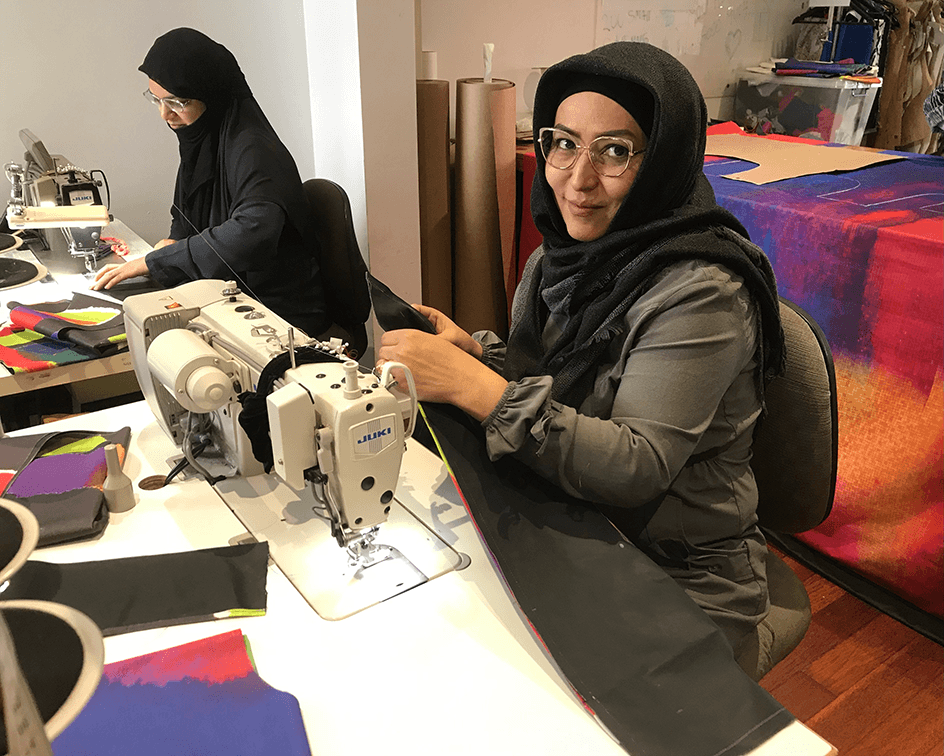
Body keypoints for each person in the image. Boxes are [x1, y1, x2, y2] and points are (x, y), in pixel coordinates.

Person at [376, 42, 785, 671]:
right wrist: (475, 354)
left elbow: (635, 465)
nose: (578, 178)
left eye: (616, 150)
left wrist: (471, 387)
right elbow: (549, 380)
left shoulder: (701, 290)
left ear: (665, 160)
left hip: (680, 573)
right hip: (582, 524)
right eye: (563, 143)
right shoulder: (555, 261)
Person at [93, 27, 328, 338]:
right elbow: (186, 213)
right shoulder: (204, 142)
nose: (166, 115)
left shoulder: (255, 151)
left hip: (274, 314)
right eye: (157, 100)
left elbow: (251, 235)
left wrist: (160, 260)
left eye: (177, 102)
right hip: (229, 293)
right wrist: (174, 244)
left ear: (211, 96)